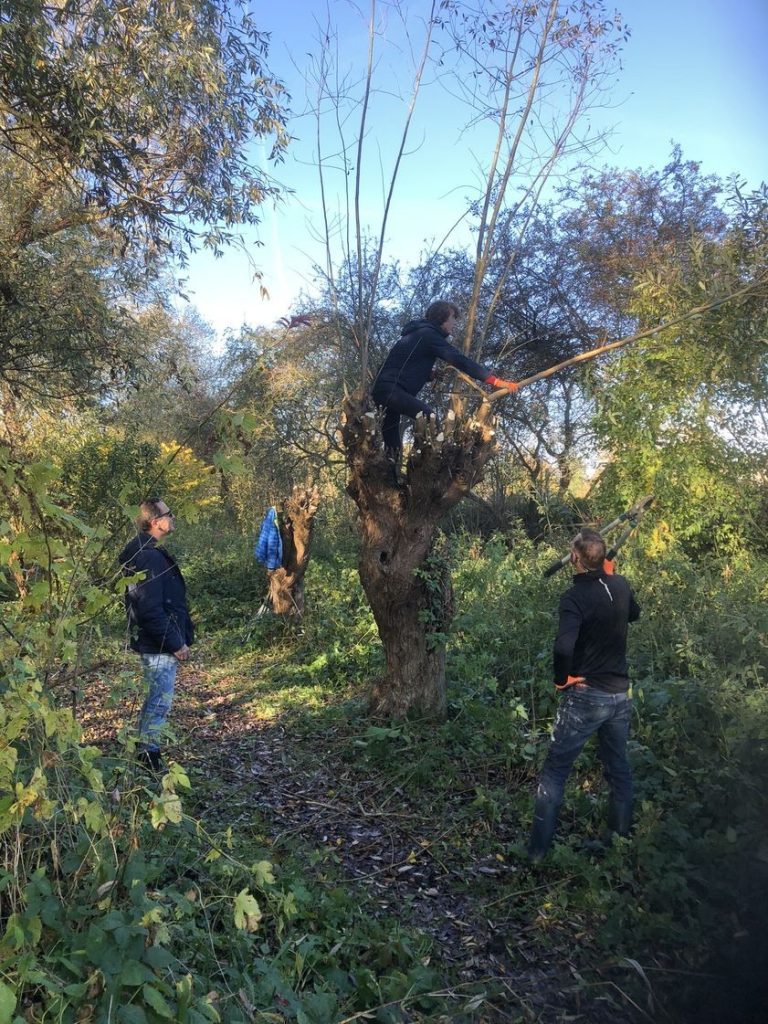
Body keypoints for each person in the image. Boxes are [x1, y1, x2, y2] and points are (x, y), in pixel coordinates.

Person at [528, 528, 641, 860]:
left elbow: (564, 646)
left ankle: (536, 853)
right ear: (603, 559)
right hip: (620, 696)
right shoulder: (619, 585)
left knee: (555, 772)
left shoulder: (573, 598)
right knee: (618, 768)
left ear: (575, 558)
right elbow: (634, 614)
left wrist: (562, 679)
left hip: (586, 696)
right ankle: (618, 845)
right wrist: (611, 580)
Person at [370, 300, 518, 459]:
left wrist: (429, 375)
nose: (454, 323)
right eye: (453, 318)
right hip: (392, 391)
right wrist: (494, 381)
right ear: (442, 318)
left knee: (392, 444)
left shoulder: (417, 333)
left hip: (386, 389)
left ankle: (392, 477)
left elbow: (403, 364)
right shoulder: (428, 334)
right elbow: (459, 360)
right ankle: (424, 465)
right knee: (429, 418)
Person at [118, 498, 194, 772]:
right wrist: (175, 642)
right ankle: (149, 759)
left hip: (156, 640)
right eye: (168, 514)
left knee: (155, 699)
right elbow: (149, 607)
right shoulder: (148, 556)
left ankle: (145, 751)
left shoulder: (144, 552)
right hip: (159, 643)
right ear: (155, 521)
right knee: (159, 701)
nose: (172, 518)